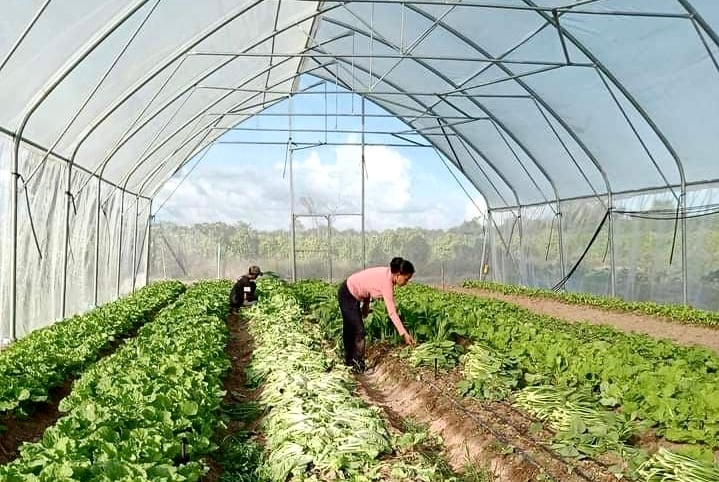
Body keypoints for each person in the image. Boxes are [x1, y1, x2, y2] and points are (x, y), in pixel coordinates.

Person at [338, 257, 416, 373]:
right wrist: (404, 334)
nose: (406, 282)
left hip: (350, 293)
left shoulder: (386, 273)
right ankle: (357, 366)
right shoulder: (386, 282)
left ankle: (350, 362)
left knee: (351, 329)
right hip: (348, 294)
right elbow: (392, 312)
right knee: (358, 331)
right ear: (398, 274)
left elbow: (368, 285)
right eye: (406, 279)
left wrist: (366, 305)